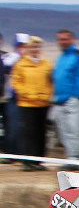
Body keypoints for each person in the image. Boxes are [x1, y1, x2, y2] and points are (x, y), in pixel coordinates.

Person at [10, 36, 53, 171]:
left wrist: (47, 94)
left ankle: (38, 161)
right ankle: (28, 161)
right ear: (28, 48)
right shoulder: (20, 64)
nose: (35, 49)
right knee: (29, 133)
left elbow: (51, 82)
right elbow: (16, 82)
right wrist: (27, 93)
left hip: (43, 103)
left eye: (37, 47)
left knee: (41, 132)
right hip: (27, 104)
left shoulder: (47, 64)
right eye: (33, 47)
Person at [52, 29, 79, 170]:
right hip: (60, 100)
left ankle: (76, 158)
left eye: (65, 39)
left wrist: (77, 95)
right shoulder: (61, 58)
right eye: (60, 39)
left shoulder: (78, 56)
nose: (62, 42)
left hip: (72, 99)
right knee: (64, 131)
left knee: (74, 130)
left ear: (72, 40)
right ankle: (70, 157)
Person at [1, 33, 28, 161]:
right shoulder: (10, 58)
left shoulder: (33, 60)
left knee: (25, 127)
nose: (22, 48)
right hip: (12, 97)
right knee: (12, 127)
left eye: (25, 46)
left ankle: (24, 152)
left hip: (29, 98)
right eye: (20, 45)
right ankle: (11, 153)